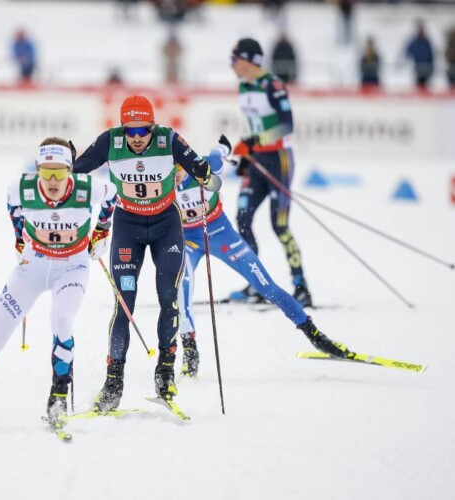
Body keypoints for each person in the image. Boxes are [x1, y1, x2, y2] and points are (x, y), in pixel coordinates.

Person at [0, 138, 118, 430]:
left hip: (72, 268)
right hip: (32, 268)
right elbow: (13, 206)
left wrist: (102, 230)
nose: (53, 181)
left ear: (71, 171)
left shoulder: (87, 188)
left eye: (60, 173)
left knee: (62, 319)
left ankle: (58, 398)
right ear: (37, 170)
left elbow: (112, 194)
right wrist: (18, 237)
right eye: (46, 173)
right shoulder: (21, 188)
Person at [73, 95, 217, 412]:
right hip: (127, 226)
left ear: (152, 128)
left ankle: (165, 372)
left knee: (168, 295)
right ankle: (113, 382)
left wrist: (204, 173)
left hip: (166, 225)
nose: (136, 139)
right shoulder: (110, 141)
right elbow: (78, 172)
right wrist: (68, 168)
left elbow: (207, 176)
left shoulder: (169, 139)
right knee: (125, 303)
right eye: (130, 131)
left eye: (143, 132)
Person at [175, 156, 353, 378]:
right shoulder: (160, 182)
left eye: (179, 170)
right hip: (188, 241)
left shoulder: (203, 166)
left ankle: (315, 335)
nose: (175, 177)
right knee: (181, 290)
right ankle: (190, 349)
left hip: (221, 235)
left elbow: (220, 153)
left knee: (266, 287)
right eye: (171, 172)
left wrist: (227, 149)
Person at [228, 38, 313, 308]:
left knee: (279, 225)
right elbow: (255, 126)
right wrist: (248, 152)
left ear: (249, 60)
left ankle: (301, 287)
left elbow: (286, 126)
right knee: (242, 219)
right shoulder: (244, 86)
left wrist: (255, 142)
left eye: (235, 60)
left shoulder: (272, 85)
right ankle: (256, 284)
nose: (232, 66)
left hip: (279, 159)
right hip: (257, 160)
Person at [404, 19, 434, 91]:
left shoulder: (426, 42)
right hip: (418, 66)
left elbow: (431, 54)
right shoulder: (415, 41)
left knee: (425, 84)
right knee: (419, 84)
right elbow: (408, 51)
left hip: (426, 67)